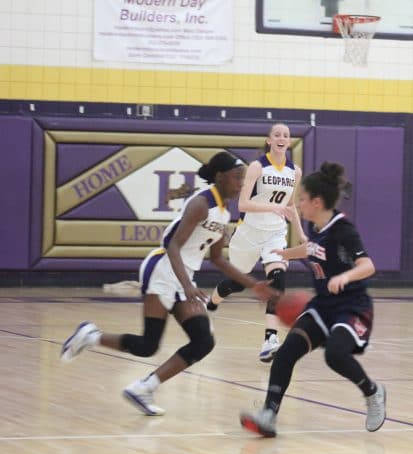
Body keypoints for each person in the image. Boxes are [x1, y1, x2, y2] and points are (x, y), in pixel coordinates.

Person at [60, 151, 275, 415]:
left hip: (183, 276)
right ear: (220, 177)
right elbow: (174, 246)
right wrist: (186, 285)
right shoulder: (200, 204)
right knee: (148, 345)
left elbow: (218, 258)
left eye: (243, 178)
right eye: (236, 177)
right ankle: (91, 336)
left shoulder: (222, 211)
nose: (241, 183)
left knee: (202, 342)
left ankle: (144, 387)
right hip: (163, 269)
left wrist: (253, 285)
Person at [239, 162, 386, 437]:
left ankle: (373, 392)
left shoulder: (345, 230)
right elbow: (311, 249)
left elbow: (368, 266)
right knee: (285, 354)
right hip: (323, 306)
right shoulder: (315, 225)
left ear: (317, 202)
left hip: (351, 308)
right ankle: (268, 415)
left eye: (302, 199)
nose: (299, 204)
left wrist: (345, 277)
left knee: (335, 355)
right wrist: (284, 254)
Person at [206, 122, 306, 363]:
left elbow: (290, 205)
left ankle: (269, 340)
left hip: (275, 233)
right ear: (269, 140)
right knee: (238, 283)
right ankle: (210, 305)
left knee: (278, 280)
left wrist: (301, 233)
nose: (282, 138)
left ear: (289, 141)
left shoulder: (295, 171)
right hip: (249, 232)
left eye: (286, 135)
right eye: (277, 135)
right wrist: (273, 207)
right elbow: (242, 205)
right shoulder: (257, 166)